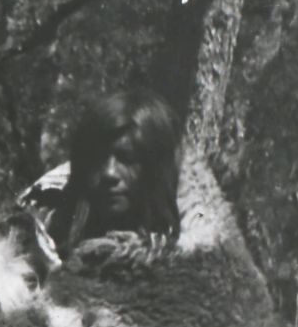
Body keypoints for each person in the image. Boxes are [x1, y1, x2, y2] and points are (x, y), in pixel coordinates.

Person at [25, 89, 181, 263]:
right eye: (98, 159)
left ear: (154, 168)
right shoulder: (45, 224)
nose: (109, 173)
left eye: (127, 159)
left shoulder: (183, 251)